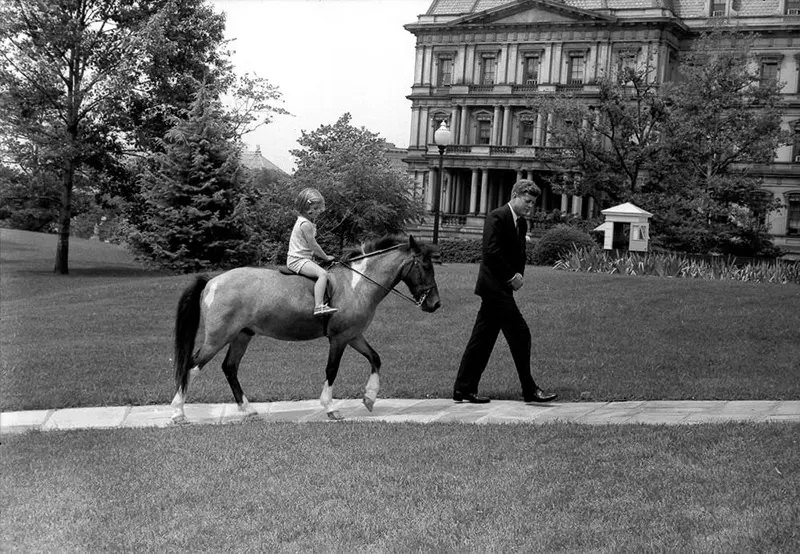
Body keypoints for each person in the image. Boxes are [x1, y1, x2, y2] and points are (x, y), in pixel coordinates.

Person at [453, 179, 557, 404]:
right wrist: (511, 276)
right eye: (527, 201)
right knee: (520, 334)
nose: (530, 206)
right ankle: (529, 390)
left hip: (504, 290)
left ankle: (463, 389)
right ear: (515, 195)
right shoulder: (497, 216)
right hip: (493, 288)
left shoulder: (521, 224)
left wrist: (518, 276)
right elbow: (490, 252)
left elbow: (518, 255)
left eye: (533, 203)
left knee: (482, 340)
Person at [287, 188, 338, 316]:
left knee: (329, 274)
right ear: (304, 208)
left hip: (303, 258)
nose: (317, 212)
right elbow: (313, 245)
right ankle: (319, 306)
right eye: (314, 209)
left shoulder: (305, 222)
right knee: (322, 274)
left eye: (318, 208)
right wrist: (325, 257)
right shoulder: (306, 224)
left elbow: (308, 247)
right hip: (298, 260)